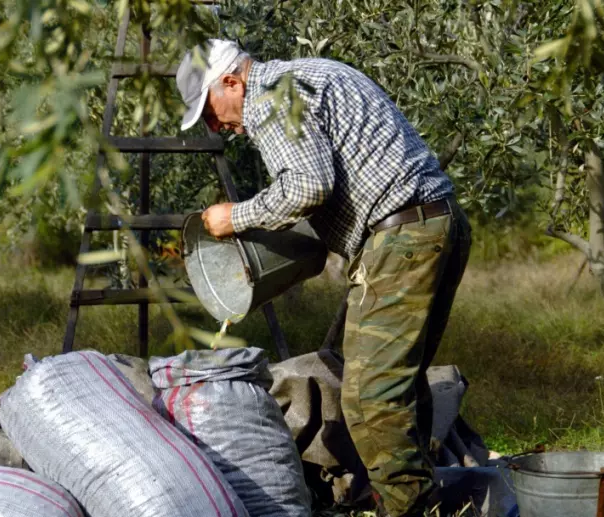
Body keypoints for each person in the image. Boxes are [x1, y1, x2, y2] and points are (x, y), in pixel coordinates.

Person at [174, 39, 472, 517]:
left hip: (404, 238)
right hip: (438, 224)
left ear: (231, 82)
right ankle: (419, 497)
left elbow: (310, 185)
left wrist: (237, 217)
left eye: (210, 112)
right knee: (397, 385)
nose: (217, 127)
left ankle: (408, 509)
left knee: (370, 395)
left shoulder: (268, 98)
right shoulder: (307, 75)